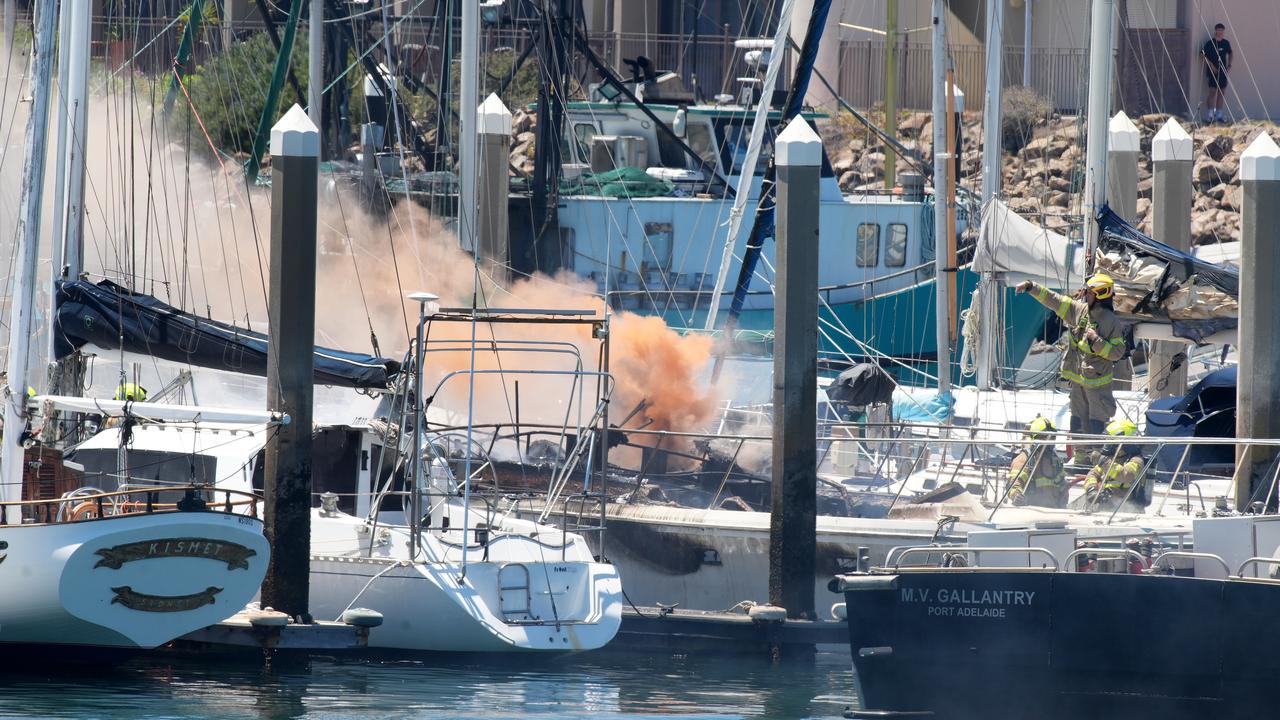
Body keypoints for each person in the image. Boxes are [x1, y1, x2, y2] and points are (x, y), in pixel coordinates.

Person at [1015, 274, 1128, 460]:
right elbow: (1054, 300)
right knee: (1077, 421)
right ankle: (1080, 458)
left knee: (1097, 424)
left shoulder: (1111, 322)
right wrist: (1031, 286)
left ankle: (1098, 462)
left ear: (1100, 295)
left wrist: (1096, 340)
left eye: (1090, 293)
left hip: (1097, 385)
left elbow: (1117, 353)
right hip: (1078, 381)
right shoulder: (1079, 310)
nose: (1085, 295)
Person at [1074, 419, 1147, 511]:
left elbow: (1126, 475)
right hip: (1107, 506)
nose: (1107, 444)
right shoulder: (1112, 458)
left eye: (1110, 440)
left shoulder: (1136, 460)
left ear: (1123, 443)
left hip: (1126, 510)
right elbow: (1092, 474)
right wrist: (1092, 489)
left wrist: (1103, 462)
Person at [1007, 416, 1068, 508]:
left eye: (1052, 437)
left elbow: (1062, 485)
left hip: (1054, 512)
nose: (1049, 441)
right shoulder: (1024, 459)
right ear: (1035, 438)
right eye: (1045, 437)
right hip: (1031, 513)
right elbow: (1014, 484)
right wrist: (1016, 495)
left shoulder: (1055, 461)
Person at [1202, 23, 1232, 124]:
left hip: (1222, 71)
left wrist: (1229, 65)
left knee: (1222, 92)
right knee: (1212, 92)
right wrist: (1211, 65)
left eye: (1222, 31)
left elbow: (1231, 53)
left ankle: (1219, 115)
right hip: (1212, 72)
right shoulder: (1210, 43)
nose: (1221, 33)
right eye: (1219, 30)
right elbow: (1202, 55)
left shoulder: (1226, 43)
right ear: (1216, 31)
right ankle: (1210, 115)